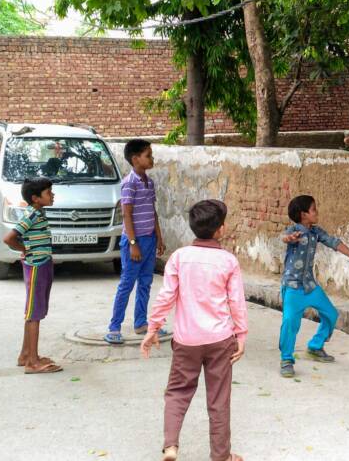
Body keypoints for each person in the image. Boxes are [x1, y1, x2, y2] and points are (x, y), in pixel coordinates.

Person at [141, 199, 247, 461]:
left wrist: (153, 327)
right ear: (221, 229)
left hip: (186, 340)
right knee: (219, 399)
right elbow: (236, 301)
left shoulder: (179, 257)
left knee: (177, 391)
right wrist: (241, 334)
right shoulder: (228, 261)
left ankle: (170, 446)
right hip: (220, 338)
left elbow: (166, 296)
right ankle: (221, 456)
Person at [279, 195, 349, 378]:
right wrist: (290, 238)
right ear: (304, 214)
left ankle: (315, 346)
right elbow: (284, 238)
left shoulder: (315, 232)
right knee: (290, 322)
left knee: (331, 314)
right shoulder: (293, 230)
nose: (317, 212)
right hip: (293, 286)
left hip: (310, 286)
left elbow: (334, 243)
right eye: (314, 209)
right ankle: (286, 359)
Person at [105, 139, 167, 344]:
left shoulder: (149, 182)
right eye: (148, 155)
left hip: (149, 239)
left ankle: (141, 322)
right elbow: (127, 215)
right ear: (135, 159)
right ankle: (114, 326)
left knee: (146, 283)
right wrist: (133, 243)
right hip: (134, 241)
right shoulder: (129, 183)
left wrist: (158, 236)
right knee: (127, 284)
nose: (152, 158)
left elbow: (152, 211)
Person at [3, 177, 63, 374]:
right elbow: (9, 238)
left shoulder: (39, 212)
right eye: (48, 192)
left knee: (34, 311)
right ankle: (33, 362)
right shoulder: (32, 216)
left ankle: (26, 354)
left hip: (42, 264)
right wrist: (25, 249)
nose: (52, 195)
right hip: (36, 266)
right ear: (36, 198)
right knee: (34, 313)